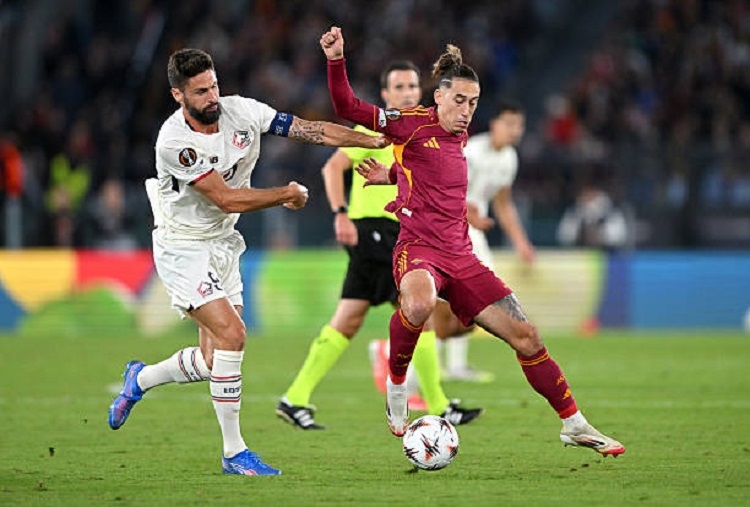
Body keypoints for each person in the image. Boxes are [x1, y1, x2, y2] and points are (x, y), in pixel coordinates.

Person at [321, 26, 625, 456]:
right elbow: (346, 106)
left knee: (527, 337)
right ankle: (397, 384)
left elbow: (431, 172)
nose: (466, 111)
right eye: (459, 100)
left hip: (461, 256)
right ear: (439, 97)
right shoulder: (409, 123)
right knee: (419, 304)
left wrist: (391, 175)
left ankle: (574, 424)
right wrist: (336, 59)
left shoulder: (459, 134)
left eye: (473, 103)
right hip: (418, 249)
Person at [107, 48, 390, 477]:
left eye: (214, 86)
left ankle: (140, 379)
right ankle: (234, 452)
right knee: (234, 335)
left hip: (223, 242)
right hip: (183, 246)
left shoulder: (243, 111)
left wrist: (370, 140)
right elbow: (225, 198)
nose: (212, 97)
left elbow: (310, 130)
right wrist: (285, 194)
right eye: (201, 92)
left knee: (213, 359)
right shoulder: (174, 142)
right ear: (178, 95)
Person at [276, 60, 482, 430]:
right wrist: (340, 213)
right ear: (385, 94)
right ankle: (439, 405)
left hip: (396, 232)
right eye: (398, 87)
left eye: (412, 86)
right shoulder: (374, 130)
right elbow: (331, 168)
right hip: (377, 231)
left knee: (349, 318)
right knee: (418, 314)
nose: (407, 93)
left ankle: (295, 398)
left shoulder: (421, 130)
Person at [433, 100, 535, 383]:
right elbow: (447, 191)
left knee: (468, 296)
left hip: (473, 231)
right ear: (494, 125)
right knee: (452, 297)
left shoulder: (509, 158)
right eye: (509, 124)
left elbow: (503, 204)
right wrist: (469, 216)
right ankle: (421, 363)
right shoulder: (472, 152)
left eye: (519, 125)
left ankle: (454, 365)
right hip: (450, 227)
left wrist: (521, 242)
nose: (515, 130)